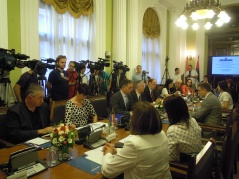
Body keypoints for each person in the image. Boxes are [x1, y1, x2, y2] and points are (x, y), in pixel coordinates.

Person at [101, 101, 172, 179]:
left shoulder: (134, 144)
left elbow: (107, 171)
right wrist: (116, 151)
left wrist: (108, 153)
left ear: (136, 122)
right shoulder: (162, 134)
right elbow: (141, 156)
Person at [164, 95, 202, 162]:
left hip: (186, 166)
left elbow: (170, 158)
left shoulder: (173, 130)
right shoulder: (193, 121)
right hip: (199, 160)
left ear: (170, 112)